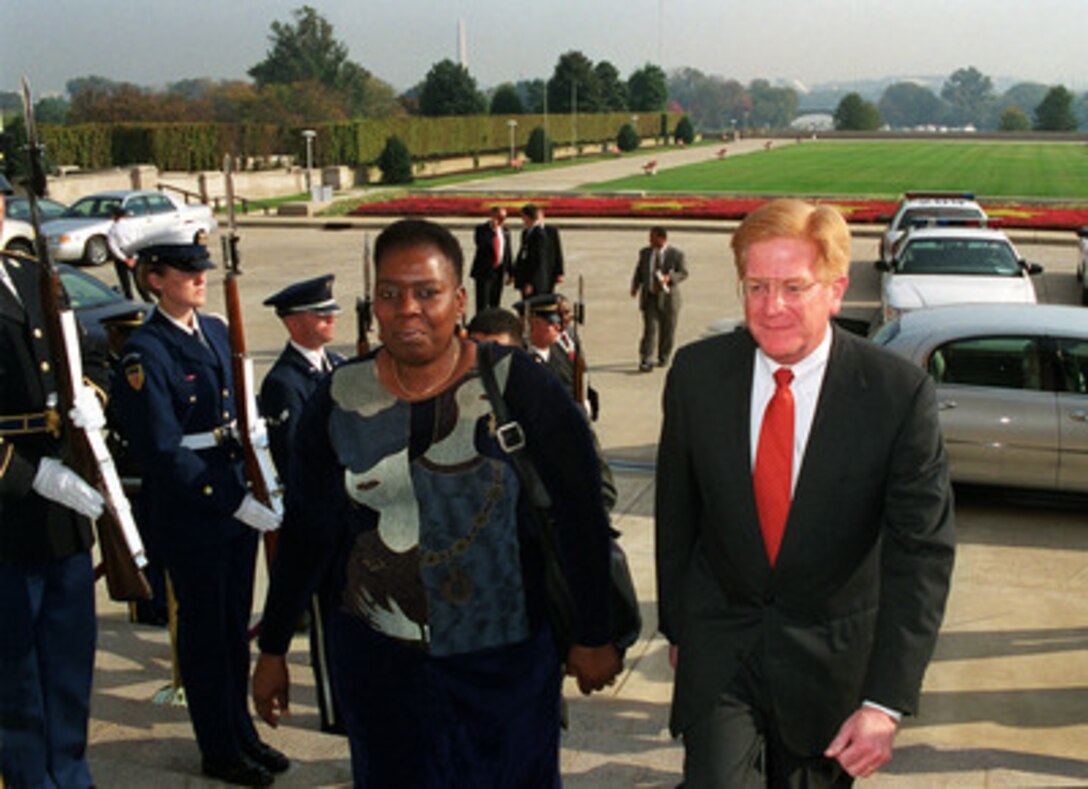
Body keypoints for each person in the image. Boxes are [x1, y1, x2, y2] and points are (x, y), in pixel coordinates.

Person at [252, 218, 620, 787]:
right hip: (380, 668)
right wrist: (273, 646)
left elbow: (580, 514)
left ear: (460, 299)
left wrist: (594, 632)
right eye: (390, 294)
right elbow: (308, 529)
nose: (408, 310)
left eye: (427, 293)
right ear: (372, 301)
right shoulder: (339, 397)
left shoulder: (519, 385)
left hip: (503, 663)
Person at [655, 198, 956, 787]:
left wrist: (885, 702)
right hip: (721, 653)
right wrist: (679, 629)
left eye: (794, 287)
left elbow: (921, 554)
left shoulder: (897, 394)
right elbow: (677, 517)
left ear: (837, 290)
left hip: (831, 671)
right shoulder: (696, 376)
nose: (772, 309)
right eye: (757, 286)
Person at [113, 244, 286, 787]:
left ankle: (241, 732)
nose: (199, 280)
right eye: (186, 273)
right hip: (193, 508)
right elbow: (162, 449)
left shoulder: (212, 331)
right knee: (207, 637)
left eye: (200, 272)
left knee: (235, 628)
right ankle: (219, 747)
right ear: (155, 280)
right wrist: (227, 498)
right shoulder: (147, 351)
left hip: (232, 495)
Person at [1, 194, 104, 788]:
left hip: (63, 513)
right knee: (15, 679)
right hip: (7, 508)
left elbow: (86, 359)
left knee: (67, 665)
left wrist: (94, 401)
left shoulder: (31, 275)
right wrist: (28, 474)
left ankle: (71, 775)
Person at [259, 273, 345, 735]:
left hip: (347, 512)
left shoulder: (334, 364)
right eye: (320, 313)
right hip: (316, 517)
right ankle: (335, 711)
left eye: (331, 310)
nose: (332, 317)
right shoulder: (284, 382)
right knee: (325, 620)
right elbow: (294, 458)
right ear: (295, 324)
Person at [631, 226, 688, 372]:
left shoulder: (676, 255)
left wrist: (671, 278)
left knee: (668, 329)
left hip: (669, 299)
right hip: (650, 297)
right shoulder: (645, 253)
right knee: (650, 329)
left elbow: (683, 272)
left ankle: (664, 356)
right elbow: (639, 271)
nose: (649, 240)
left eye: (652, 237)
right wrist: (635, 286)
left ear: (662, 239)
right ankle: (646, 358)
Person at [513, 203, 564, 297]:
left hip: (536, 281)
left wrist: (531, 282)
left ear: (527, 217)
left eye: (523, 217)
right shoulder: (527, 232)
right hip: (527, 278)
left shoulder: (539, 234)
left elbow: (537, 260)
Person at [469, 207, 512, 315]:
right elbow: (482, 244)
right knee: (482, 303)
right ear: (492, 216)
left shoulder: (505, 230)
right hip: (485, 271)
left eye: (504, 217)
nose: (502, 220)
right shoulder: (482, 229)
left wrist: (511, 272)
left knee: (495, 302)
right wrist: (493, 231)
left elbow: (508, 252)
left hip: (499, 271)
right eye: (500, 217)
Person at [107, 204, 140, 301]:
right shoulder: (133, 225)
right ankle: (148, 301)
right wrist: (134, 257)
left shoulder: (113, 229)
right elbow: (139, 240)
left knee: (125, 283)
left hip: (122, 255)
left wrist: (125, 259)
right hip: (134, 252)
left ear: (115, 216)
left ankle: (130, 301)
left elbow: (113, 247)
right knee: (140, 283)